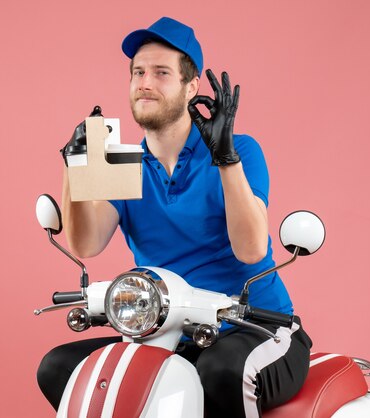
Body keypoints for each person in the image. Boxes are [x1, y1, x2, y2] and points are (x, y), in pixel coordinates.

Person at [37, 16, 312, 418]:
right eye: (138, 72)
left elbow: (252, 249)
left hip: (255, 328)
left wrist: (225, 157)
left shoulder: (241, 151)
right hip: (168, 332)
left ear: (191, 86)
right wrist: (74, 168)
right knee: (61, 368)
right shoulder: (125, 164)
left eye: (161, 73)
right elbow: (86, 244)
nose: (145, 82)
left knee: (219, 372)